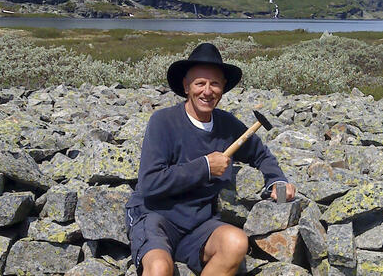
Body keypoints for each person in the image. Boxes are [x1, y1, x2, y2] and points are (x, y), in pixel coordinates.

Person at [125, 43, 296, 276]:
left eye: (214, 83)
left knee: (236, 242)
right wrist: (204, 167)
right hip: (155, 217)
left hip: (198, 224)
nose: (207, 91)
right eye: (200, 83)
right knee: (158, 268)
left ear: (223, 88)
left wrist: (276, 180)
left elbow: (260, 154)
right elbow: (149, 184)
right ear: (186, 87)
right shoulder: (163, 122)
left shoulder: (228, 126)